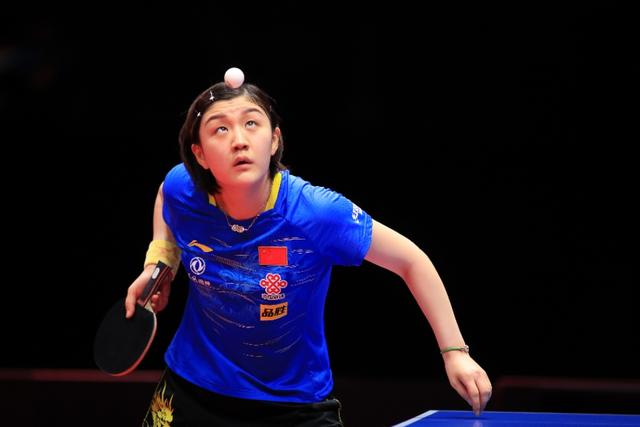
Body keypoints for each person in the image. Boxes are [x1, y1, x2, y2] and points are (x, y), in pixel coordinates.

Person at [125, 68, 492, 426]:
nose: (239, 140)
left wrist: (455, 353)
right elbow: (164, 196)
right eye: (220, 129)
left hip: (292, 404)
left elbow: (412, 261)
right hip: (191, 390)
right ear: (200, 155)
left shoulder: (315, 212)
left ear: (274, 140)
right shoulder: (184, 189)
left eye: (251, 123)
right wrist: (160, 263)